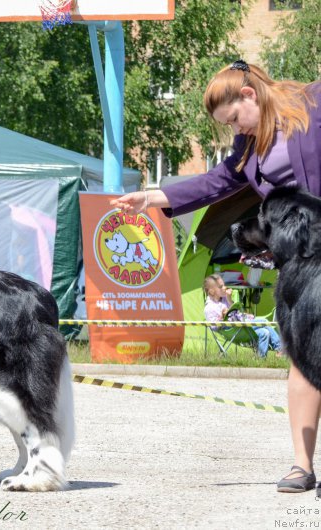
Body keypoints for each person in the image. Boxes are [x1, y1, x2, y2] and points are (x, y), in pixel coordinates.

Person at [112, 60, 321, 494]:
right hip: (299, 262)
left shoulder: (312, 104)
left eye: (232, 119)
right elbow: (217, 182)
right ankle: (302, 466)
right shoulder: (247, 146)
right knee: (303, 356)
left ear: (249, 95)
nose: (233, 129)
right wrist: (153, 196)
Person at [202, 273, 280, 358]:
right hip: (232, 331)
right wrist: (222, 317)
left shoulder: (224, 299)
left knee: (264, 332)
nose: (224, 288)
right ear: (212, 291)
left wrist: (229, 299)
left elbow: (235, 311)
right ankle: (280, 348)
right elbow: (214, 327)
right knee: (264, 322)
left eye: (224, 285)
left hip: (242, 327)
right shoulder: (209, 307)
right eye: (220, 287)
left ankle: (261, 360)